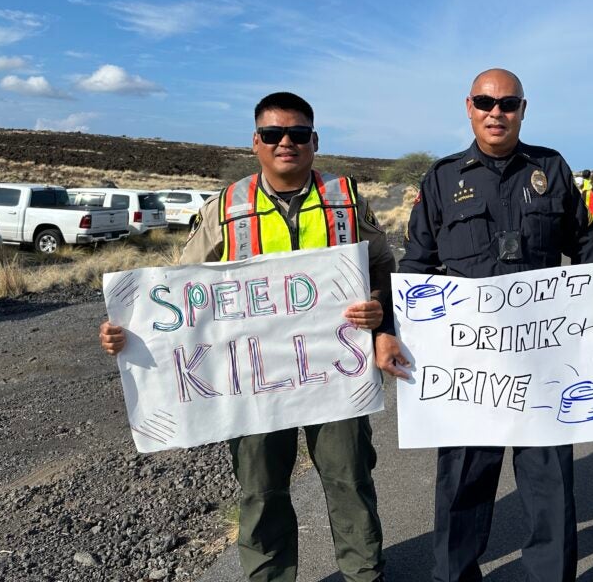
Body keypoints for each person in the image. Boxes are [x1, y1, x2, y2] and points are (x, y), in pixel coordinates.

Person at [99, 92, 393, 582]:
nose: (286, 143)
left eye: (298, 135)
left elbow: (381, 263)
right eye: (274, 135)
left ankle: (365, 574)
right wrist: (126, 331)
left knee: (350, 480)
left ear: (314, 142)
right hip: (253, 383)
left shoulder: (346, 199)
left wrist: (378, 309)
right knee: (260, 490)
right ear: (256, 142)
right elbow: (175, 288)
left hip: (336, 375)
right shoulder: (228, 207)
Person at [375, 68, 593, 582]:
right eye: (486, 102)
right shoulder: (441, 178)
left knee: (549, 489)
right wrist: (391, 328)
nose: (496, 112)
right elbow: (416, 264)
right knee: (461, 486)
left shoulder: (551, 168)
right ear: (469, 107)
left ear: (523, 109)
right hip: (469, 369)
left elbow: (589, 252)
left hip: (543, 365)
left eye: (508, 103)